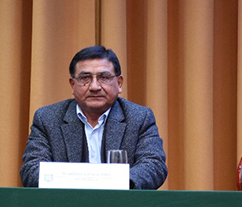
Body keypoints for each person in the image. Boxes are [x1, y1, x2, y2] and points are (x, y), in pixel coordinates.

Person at [20, 45, 167, 189]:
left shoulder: (139, 117)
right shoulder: (48, 118)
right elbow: (31, 169)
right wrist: (80, 183)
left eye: (104, 77)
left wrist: (114, 183)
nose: (95, 87)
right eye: (85, 78)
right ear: (72, 84)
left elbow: (153, 165)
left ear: (119, 83)